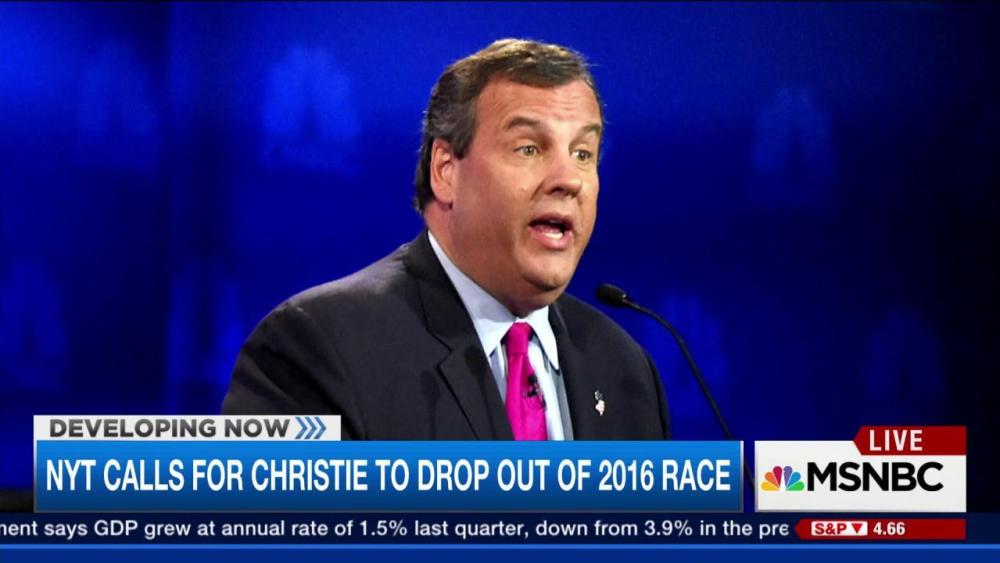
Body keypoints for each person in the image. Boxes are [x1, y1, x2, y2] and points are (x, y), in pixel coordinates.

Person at [222, 39, 669, 441]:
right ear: (446, 171)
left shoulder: (625, 370)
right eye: (529, 148)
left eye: (583, 154)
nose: (569, 179)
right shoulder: (317, 347)